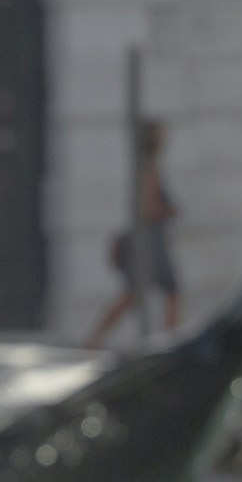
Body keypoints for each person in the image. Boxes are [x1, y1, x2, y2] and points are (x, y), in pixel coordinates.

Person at [85, 119, 182, 348]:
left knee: (137, 293)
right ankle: (171, 342)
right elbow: (149, 209)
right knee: (169, 291)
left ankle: (94, 340)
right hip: (149, 240)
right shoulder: (149, 169)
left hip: (148, 238)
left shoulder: (147, 167)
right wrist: (170, 210)